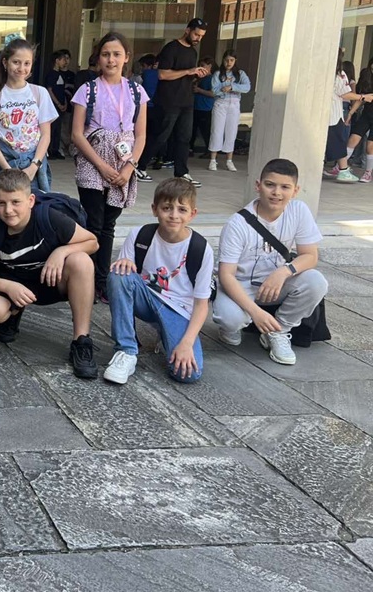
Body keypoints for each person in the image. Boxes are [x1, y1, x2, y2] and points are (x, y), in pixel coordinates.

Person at [0, 169, 100, 378]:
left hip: (51, 280)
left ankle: (81, 340)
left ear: (30, 200)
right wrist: (8, 287)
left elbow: (92, 242)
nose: (8, 210)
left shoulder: (51, 218)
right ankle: (13, 312)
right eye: (1, 203)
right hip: (13, 283)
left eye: (15, 202)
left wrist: (62, 252)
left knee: (81, 261)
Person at [213, 158, 327, 366]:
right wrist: (256, 313)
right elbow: (226, 275)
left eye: (285, 187)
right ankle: (235, 324)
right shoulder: (237, 224)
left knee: (316, 281)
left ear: (295, 190)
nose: (277, 193)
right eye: (270, 185)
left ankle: (278, 330)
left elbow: (310, 255)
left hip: (276, 284)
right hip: (241, 284)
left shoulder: (298, 210)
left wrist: (284, 272)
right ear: (258, 186)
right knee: (230, 319)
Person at [105, 178, 211, 385]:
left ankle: (167, 333)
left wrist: (186, 343)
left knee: (188, 374)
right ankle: (126, 351)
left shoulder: (200, 248)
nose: (174, 215)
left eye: (182, 209)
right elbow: (123, 280)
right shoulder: (140, 235)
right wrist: (126, 262)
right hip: (146, 298)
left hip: (179, 309)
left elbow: (201, 304)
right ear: (155, 209)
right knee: (119, 274)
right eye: (167, 208)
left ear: (192, 214)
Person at [71, 31, 148, 302]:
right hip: (93, 160)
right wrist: (101, 166)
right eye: (105, 54)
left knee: (108, 225)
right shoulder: (87, 90)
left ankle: (102, 282)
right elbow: (77, 134)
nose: (111, 60)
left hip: (122, 162)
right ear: (98, 58)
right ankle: (87, 281)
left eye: (116, 54)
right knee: (93, 222)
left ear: (126, 57)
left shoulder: (137, 92)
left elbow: (141, 135)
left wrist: (129, 167)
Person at [0, 38, 59, 214]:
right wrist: (9, 171)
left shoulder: (40, 93)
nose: (21, 68)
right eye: (16, 62)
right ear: (5, 63)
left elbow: (46, 135)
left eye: (27, 63)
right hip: (2, 165)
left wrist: (33, 166)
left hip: (33, 165)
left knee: (35, 216)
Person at [135, 18, 210, 187]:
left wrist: (196, 74)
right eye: (196, 34)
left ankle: (182, 173)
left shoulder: (193, 52)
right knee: (160, 136)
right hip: (168, 101)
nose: (198, 38)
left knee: (184, 138)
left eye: (201, 36)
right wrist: (188, 71)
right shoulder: (171, 48)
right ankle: (139, 166)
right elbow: (162, 74)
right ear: (187, 30)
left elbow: (185, 76)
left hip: (186, 100)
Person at [324, 51, 371, 183]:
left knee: (335, 141)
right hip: (333, 115)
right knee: (340, 141)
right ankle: (343, 170)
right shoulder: (339, 74)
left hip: (325, 113)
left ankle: (343, 169)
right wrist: (363, 97)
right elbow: (345, 93)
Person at [208, 50, 251, 171]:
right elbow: (214, 90)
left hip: (234, 105)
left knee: (231, 132)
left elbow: (247, 87)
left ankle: (229, 160)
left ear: (235, 61)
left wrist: (233, 87)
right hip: (221, 103)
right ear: (223, 60)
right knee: (217, 130)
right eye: (227, 60)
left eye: (231, 60)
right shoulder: (218, 74)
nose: (229, 62)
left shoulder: (240, 74)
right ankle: (213, 160)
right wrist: (224, 89)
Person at [43, 49, 76, 160]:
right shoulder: (51, 74)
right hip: (53, 106)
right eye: (62, 60)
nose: (65, 62)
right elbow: (49, 90)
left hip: (61, 105)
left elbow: (62, 90)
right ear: (57, 61)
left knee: (58, 128)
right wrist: (57, 103)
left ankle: (55, 149)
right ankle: (49, 150)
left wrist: (64, 103)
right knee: (52, 128)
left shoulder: (60, 74)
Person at [345, 56, 373, 183]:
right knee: (353, 139)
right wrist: (350, 113)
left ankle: (368, 173)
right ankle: (341, 166)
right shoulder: (367, 78)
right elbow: (361, 98)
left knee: (370, 146)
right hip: (367, 114)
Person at [189, 56, 215, 158]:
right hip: (195, 106)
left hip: (205, 108)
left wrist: (199, 90)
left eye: (203, 65)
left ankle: (210, 150)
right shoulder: (199, 78)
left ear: (210, 66)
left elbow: (213, 93)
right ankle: (190, 148)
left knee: (206, 131)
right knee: (192, 130)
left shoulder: (212, 79)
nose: (201, 67)